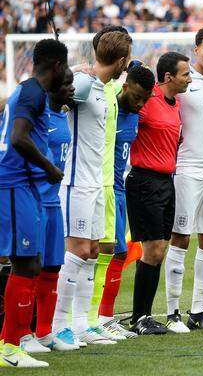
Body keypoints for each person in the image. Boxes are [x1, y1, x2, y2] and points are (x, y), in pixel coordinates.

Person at [54, 31, 132, 345]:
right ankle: (59, 326)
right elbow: (53, 96)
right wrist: (70, 73)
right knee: (76, 253)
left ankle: (82, 323)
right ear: (123, 60)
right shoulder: (84, 83)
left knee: (92, 252)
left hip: (97, 183)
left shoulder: (102, 87)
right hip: (76, 182)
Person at [0, 38, 68, 368]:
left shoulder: (29, 92)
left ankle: (13, 342)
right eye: (66, 67)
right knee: (25, 263)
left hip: (21, 185)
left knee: (31, 263)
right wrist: (49, 166)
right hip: (14, 184)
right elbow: (17, 137)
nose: (67, 74)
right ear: (56, 66)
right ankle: (10, 346)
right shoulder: (32, 93)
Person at [164, 26, 203, 333]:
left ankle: (198, 312)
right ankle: (172, 312)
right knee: (181, 237)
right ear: (196, 50)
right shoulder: (181, 82)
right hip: (186, 169)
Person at [126, 52, 191, 335]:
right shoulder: (146, 99)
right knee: (151, 249)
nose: (189, 78)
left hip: (166, 182)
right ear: (168, 78)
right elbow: (122, 112)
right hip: (144, 181)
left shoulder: (175, 104)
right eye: (185, 74)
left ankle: (144, 316)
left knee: (159, 250)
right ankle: (139, 317)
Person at [95, 63, 155, 335]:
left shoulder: (135, 112)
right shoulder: (107, 103)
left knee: (119, 253)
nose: (141, 104)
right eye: (137, 97)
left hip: (119, 189)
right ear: (125, 86)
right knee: (96, 253)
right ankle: (91, 318)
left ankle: (104, 318)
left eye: (146, 99)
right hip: (98, 186)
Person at [28, 69, 75, 353]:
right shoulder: (36, 115)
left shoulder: (64, 112)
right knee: (28, 270)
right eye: (67, 84)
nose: (72, 88)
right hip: (34, 200)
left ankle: (45, 332)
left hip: (54, 202)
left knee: (52, 268)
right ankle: (23, 333)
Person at [90, 25, 132, 329]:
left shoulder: (112, 89)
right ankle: (77, 321)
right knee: (82, 255)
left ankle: (93, 320)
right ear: (120, 60)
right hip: (84, 184)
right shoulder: (83, 86)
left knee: (103, 252)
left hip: (108, 184)